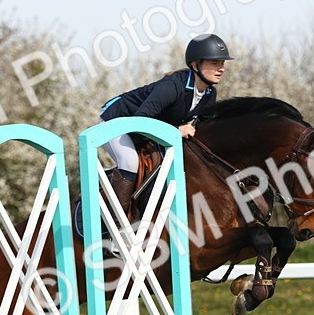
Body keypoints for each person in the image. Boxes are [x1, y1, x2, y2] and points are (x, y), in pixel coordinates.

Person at [98, 33, 233, 217]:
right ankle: (113, 222)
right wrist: (176, 130)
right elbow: (139, 121)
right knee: (130, 162)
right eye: (214, 63)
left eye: (222, 63)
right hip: (118, 122)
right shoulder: (172, 86)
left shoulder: (209, 94)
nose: (221, 69)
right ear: (195, 64)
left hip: (147, 130)